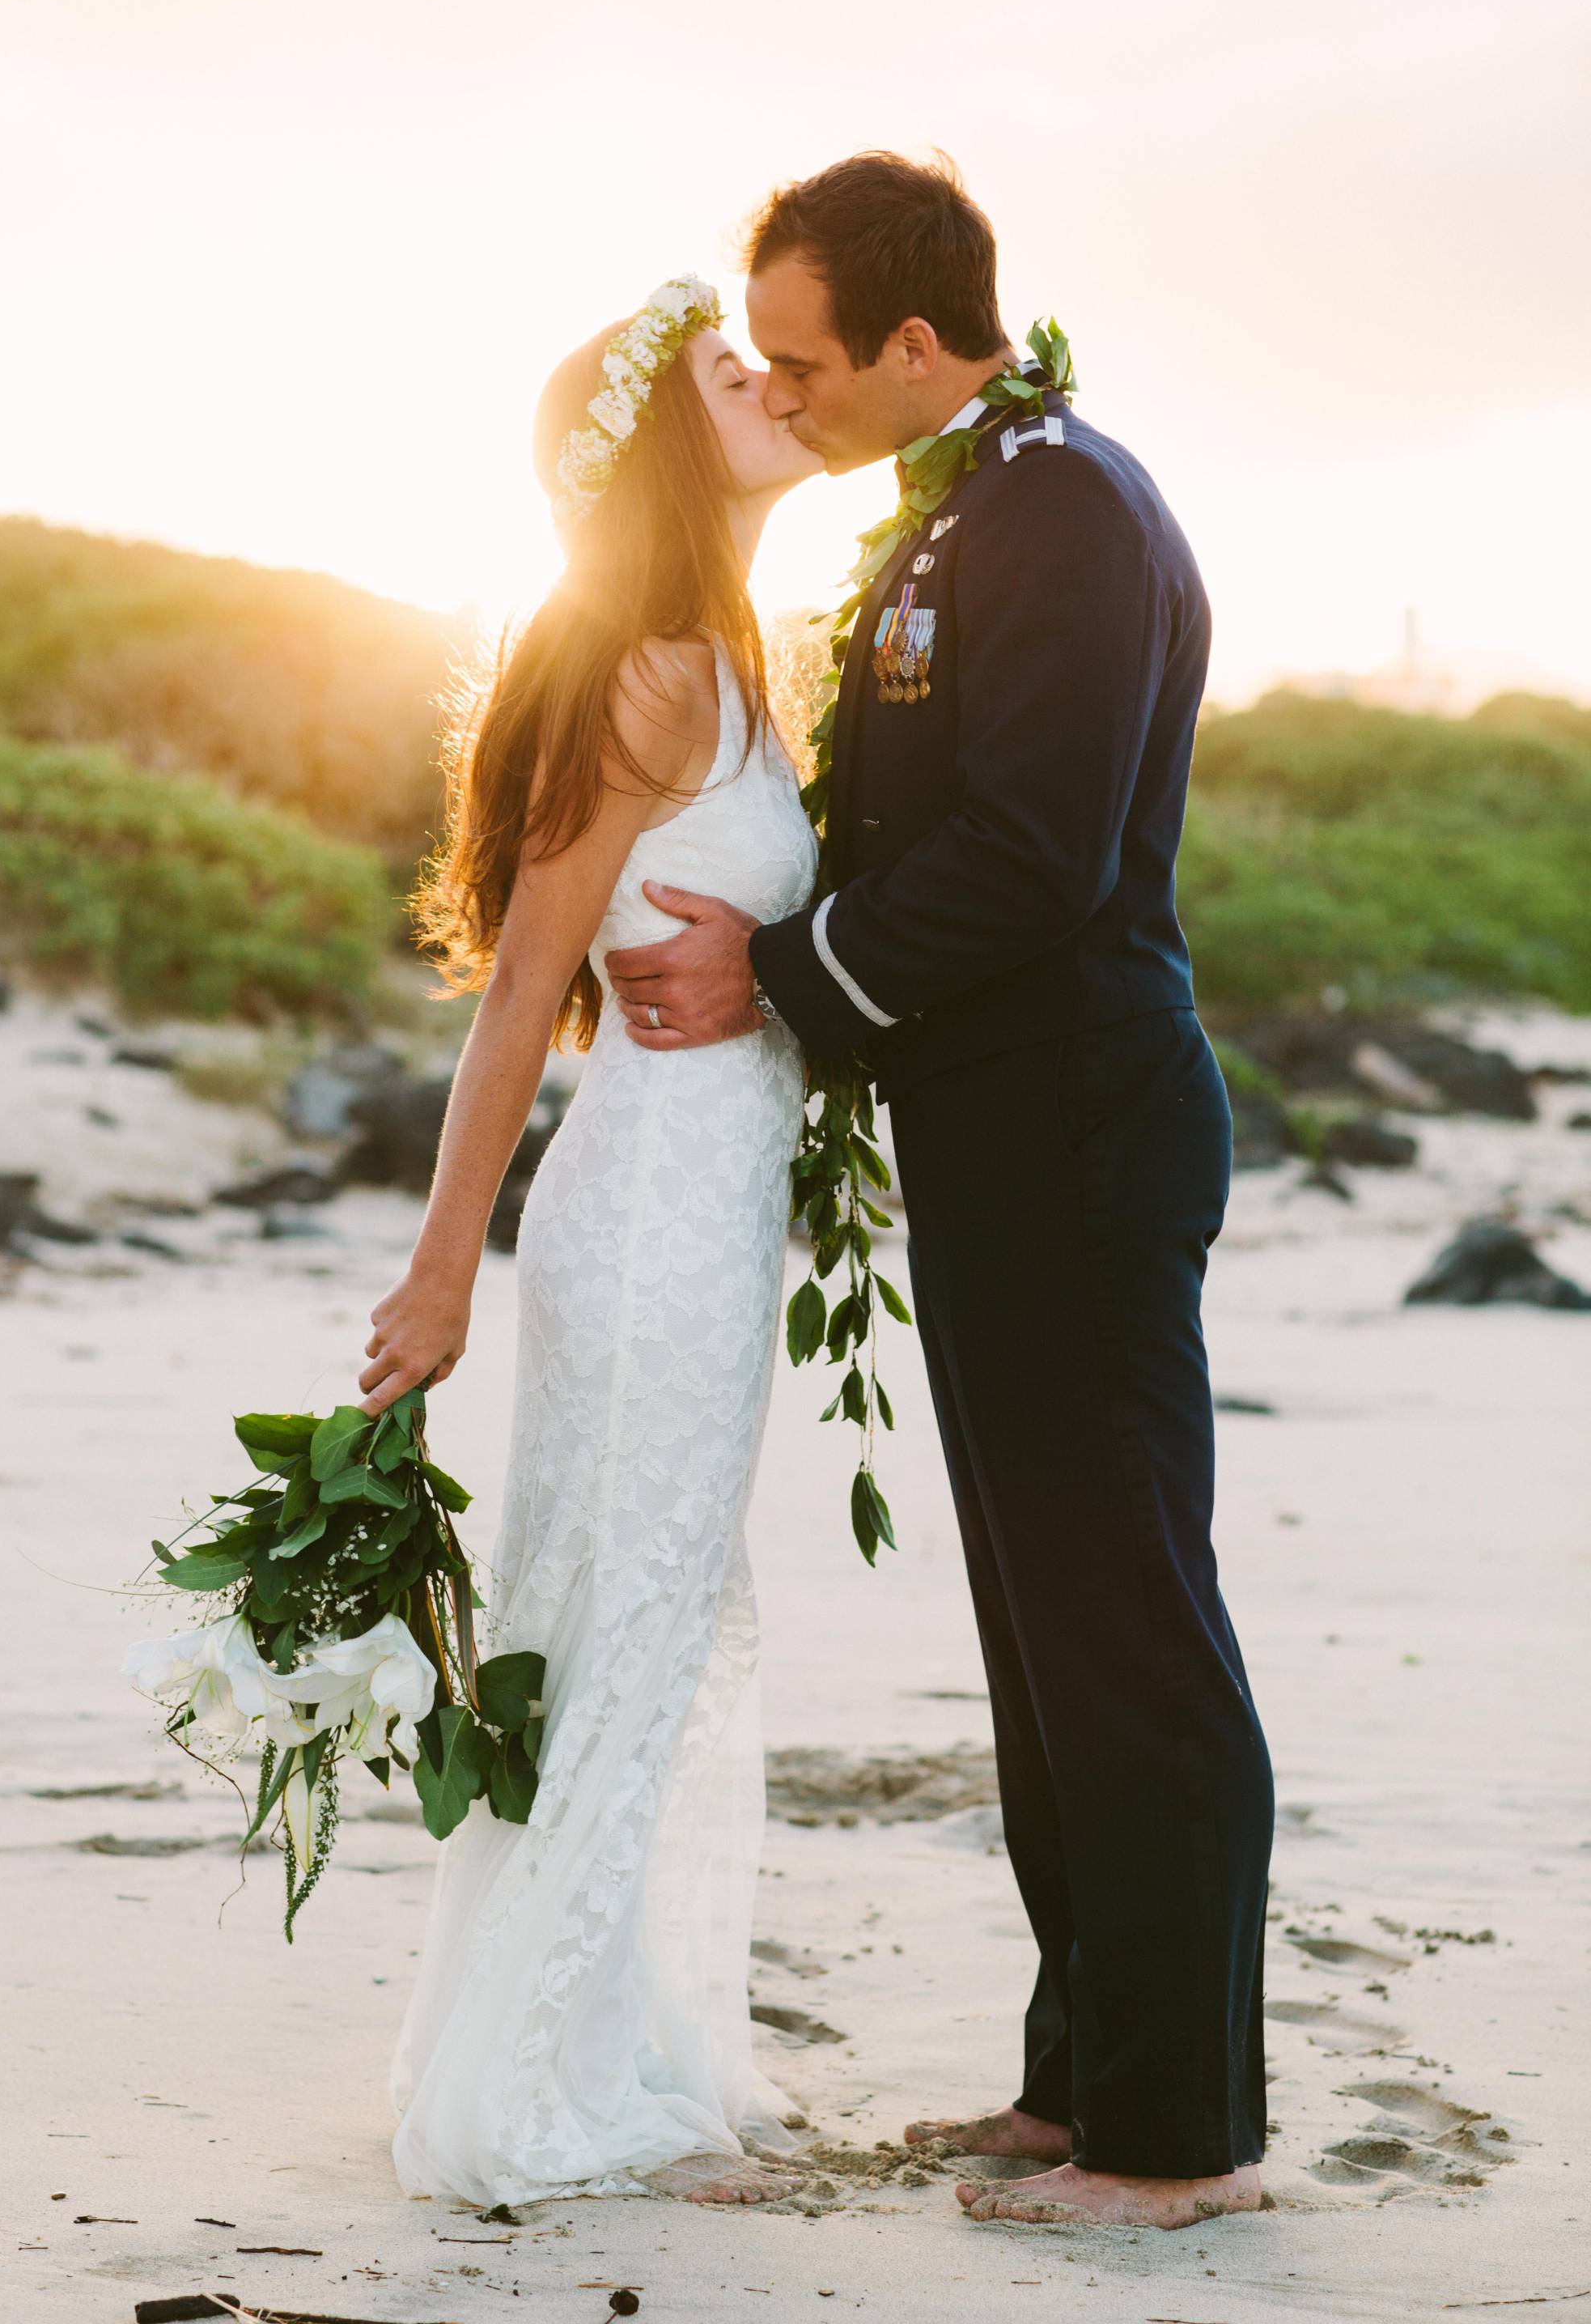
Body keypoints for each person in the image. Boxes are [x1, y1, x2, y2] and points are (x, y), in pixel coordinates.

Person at [603, 155, 1276, 2233]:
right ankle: (1080, 2082)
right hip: (996, 1132)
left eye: (803, 359)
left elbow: (1037, 851)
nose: (781, 393)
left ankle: (1178, 2142)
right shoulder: (967, 502)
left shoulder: (1065, 503)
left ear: (916, 341)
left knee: (1125, 1622)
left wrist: (775, 976)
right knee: (1038, 1619)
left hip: (1081, 1126)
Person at [359, 277, 823, 2207]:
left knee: (642, 1617)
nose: (774, 388)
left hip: (708, 1209)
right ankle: (534, 2096)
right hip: (647, 1223)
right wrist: (441, 1267)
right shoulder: (648, 667)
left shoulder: (721, 655)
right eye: (735, 374)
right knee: (621, 1628)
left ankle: (595, 2041)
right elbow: (519, 993)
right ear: (658, 445)